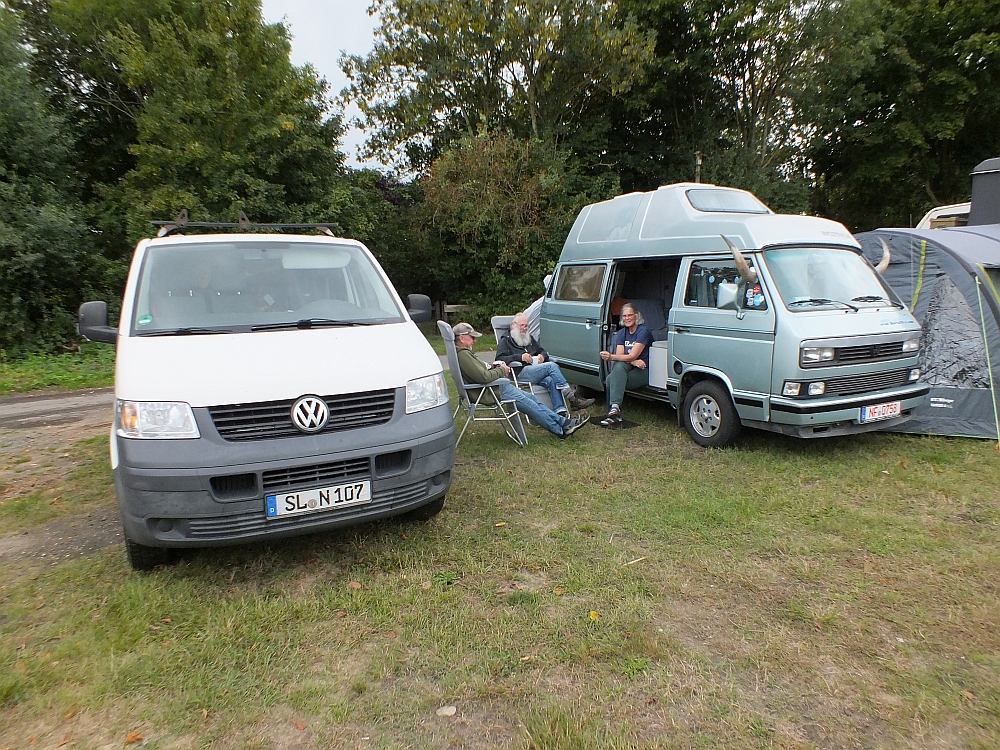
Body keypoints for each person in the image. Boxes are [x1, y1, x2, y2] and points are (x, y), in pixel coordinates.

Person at [453, 322, 587, 439]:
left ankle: (563, 422)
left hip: (495, 387)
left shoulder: (462, 353)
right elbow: (484, 377)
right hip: (492, 390)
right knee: (531, 406)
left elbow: (482, 373)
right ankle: (561, 430)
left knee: (532, 399)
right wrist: (502, 370)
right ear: (462, 338)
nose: (475, 341)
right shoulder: (464, 355)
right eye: (472, 337)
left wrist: (495, 368)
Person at [495, 313, 595, 414]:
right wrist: (519, 357)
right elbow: (499, 358)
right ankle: (571, 397)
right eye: (523, 325)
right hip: (520, 372)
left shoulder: (528, 338)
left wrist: (542, 356)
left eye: (527, 326)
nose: (525, 328)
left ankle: (561, 412)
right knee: (551, 366)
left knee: (551, 380)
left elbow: (543, 351)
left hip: (536, 369)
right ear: (514, 325)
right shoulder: (506, 340)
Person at [598, 302, 653, 426]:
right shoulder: (622, 333)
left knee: (611, 380)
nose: (627, 318)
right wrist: (633, 361)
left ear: (636, 316)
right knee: (618, 369)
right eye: (624, 316)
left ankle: (613, 413)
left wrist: (611, 357)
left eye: (630, 315)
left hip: (645, 370)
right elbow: (621, 356)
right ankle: (614, 409)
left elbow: (629, 355)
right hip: (630, 366)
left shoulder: (643, 331)